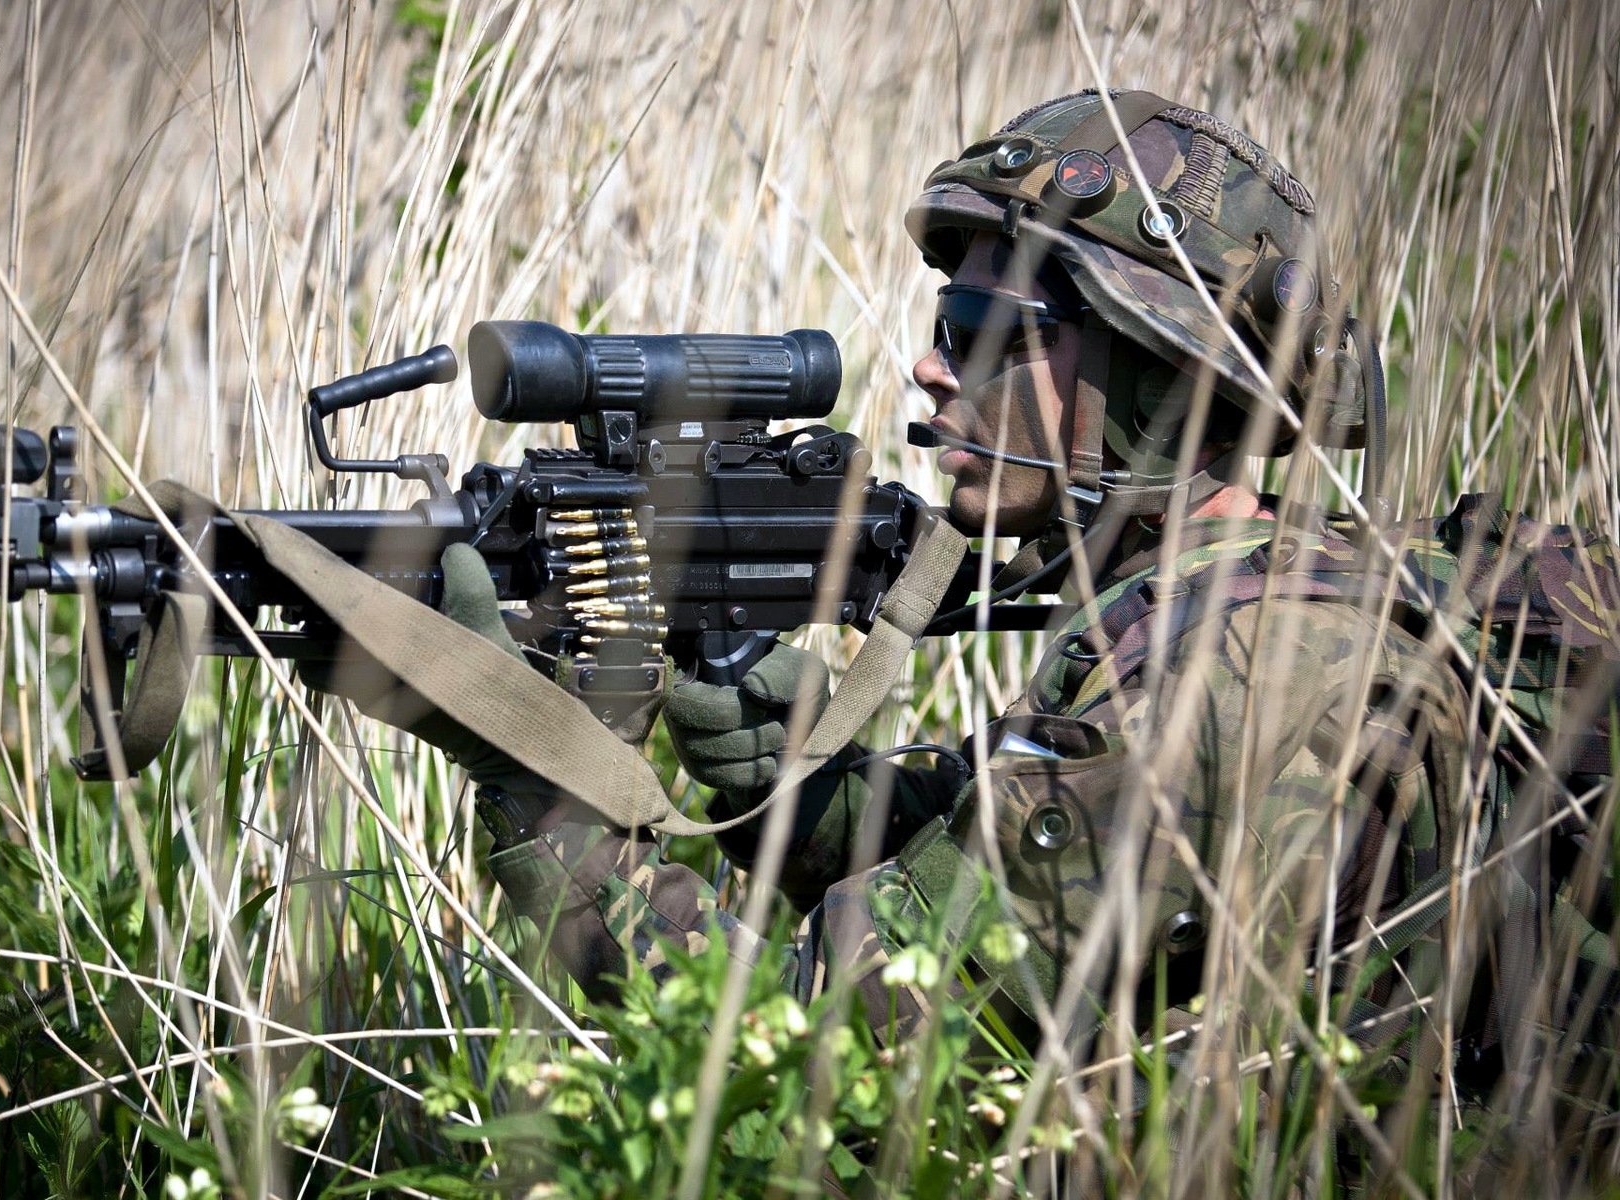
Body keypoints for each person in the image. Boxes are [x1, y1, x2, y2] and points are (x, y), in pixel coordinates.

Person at [390, 89, 1610, 1144]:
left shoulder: (1210, 685)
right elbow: (1022, 870)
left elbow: (803, 1063)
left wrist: (537, 783)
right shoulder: (1301, 583)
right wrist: (809, 798)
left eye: (981, 334)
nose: (931, 369)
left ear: (1154, 371)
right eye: (941, 327)